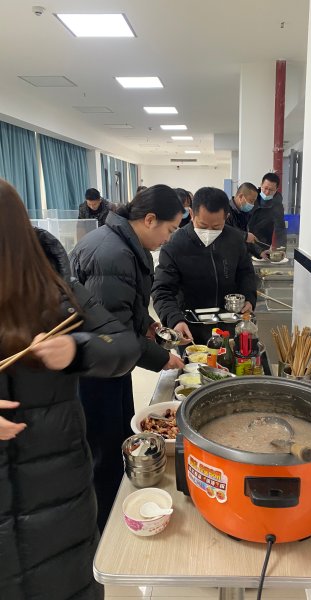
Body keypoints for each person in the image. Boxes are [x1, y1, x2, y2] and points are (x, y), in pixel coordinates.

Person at [0, 178, 141, 599]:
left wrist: (77, 349)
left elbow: (123, 346)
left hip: (56, 481)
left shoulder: (56, 289)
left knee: (65, 579)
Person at [70, 184, 185, 530]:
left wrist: (147, 323)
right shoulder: (113, 254)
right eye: (169, 229)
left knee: (122, 437)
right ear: (150, 219)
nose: (169, 238)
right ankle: (105, 527)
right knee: (104, 450)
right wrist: (161, 358)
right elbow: (110, 333)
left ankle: (118, 506)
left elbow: (121, 308)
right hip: (96, 368)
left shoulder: (124, 244)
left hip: (111, 365)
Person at [152, 187, 257, 345]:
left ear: (226, 217)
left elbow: (246, 273)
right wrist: (175, 320)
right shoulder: (175, 244)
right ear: (191, 214)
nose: (208, 231)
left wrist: (249, 298)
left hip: (229, 325)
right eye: (202, 225)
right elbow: (162, 290)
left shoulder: (235, 239)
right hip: (190, 327)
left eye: (216, 227)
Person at [247, 172, 287, 258]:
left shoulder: (277, 205)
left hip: (263, 243)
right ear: (261, 185)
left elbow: (280, 229)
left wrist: (281, 249)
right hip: (246, 238)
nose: (267, 192)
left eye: (271, 190)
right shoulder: (251, 197)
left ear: (276, 190)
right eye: (265, 188)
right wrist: (244, 234)